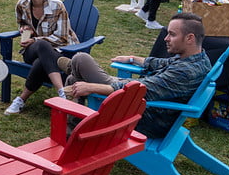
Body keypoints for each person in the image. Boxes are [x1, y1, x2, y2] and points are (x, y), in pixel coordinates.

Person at [60, 13, 210, 138]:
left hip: (143, 117)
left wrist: (91, 87)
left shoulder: (185, 72)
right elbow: (162, 63)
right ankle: (70, 129)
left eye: (172, 34)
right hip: (141, 101)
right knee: (74, 79)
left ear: (190, 38)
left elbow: (141, 90)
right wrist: (133, 58)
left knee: (81, 59)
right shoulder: (197, 58)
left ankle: (74, 69)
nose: (166, 38)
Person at [4, 0, 79, 115]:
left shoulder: (57, 6)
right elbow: (22, 23)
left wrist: (36, 40)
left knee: (41, 58)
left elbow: (63, 38)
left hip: (60, 51)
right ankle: (62, 92)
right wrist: (25, 30)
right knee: (42, 46)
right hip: (31, 51)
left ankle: (20, 100)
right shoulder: (22, 4)